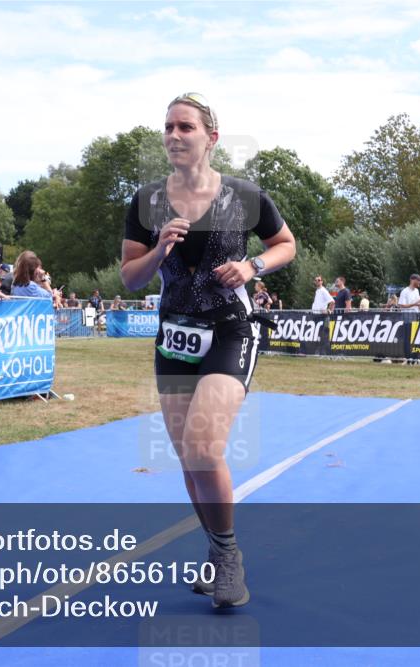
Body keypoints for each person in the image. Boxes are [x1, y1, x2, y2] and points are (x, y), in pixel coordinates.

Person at [120, 92, 296, 609]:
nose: (174, 136)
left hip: (231, 330)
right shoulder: (146, 201)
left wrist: (252, 267)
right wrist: (159, 249)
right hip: (174, 335)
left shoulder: (244, 195)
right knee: (188, 461)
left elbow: (285, 244)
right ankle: (218, 550)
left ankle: (227, 556)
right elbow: (130, 277)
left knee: (202, 448)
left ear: (210, 138)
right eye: (168, 127)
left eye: (185, 127)